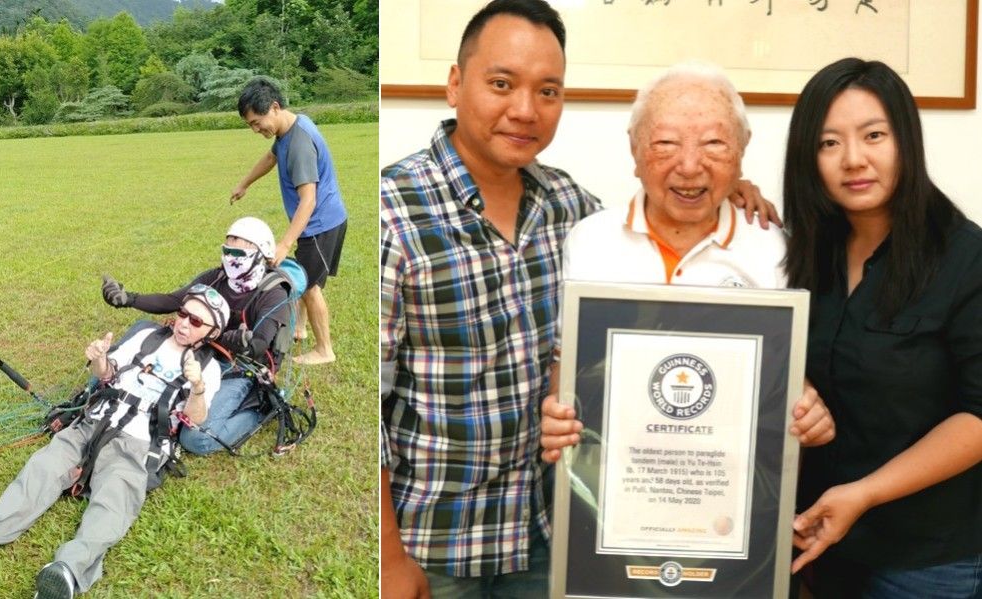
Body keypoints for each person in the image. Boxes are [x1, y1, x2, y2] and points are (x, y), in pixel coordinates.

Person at [380, 3, 782, 597]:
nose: (525, 109)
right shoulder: (393, 213)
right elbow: (370, 402)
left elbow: (663, 214)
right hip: (433, 544)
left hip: (550, 534)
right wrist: (388, 556)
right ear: (455, 84)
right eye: (501, 84)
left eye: (548, 91)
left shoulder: (571, 209)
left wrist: (727, 188)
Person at [539, 62, 835, 464]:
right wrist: (558, 412)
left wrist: (807, 409)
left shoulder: (773, 248)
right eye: (665, 143)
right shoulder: (590, 241)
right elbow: (568, 361)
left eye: (714, 143)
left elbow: (785, 370)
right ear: (635, 149)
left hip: (724, 479)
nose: (690, 166)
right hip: (617, 476)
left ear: (742, 149)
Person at [782, 58, 982, 598]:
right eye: (828, 143)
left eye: (874, 135)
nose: (853, 160)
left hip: (929, 560)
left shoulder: (966, 258)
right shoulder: (805, 253)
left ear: (906, 142)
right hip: (822, 546)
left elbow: (979, 415)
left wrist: (865, 494)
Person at [0, 285, 228, 598]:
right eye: (183, 314)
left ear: (212, 331)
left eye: (196, 322)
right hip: (90, 425)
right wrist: (100, 359)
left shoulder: (208, 369)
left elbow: (196, 419)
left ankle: (67, 572)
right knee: (42, 468)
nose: (184, 323)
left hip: (136, 446)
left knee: (112, 504)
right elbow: (107, 375)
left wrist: (197, 386)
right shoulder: (146, 334)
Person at [101, 216, 298, 455]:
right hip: (201, 352)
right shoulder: (216, 278)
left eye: (239, 252)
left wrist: (231, 339)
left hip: (240, 369)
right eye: (227, 250)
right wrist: (128, 299)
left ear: (261, 253)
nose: (231, 258)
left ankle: (259, 410)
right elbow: (175, 300)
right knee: (144, 328)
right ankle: (103, 382)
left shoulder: (274, 293)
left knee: (195, 439)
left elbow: (258, 344)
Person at [231, 77, 348, 366]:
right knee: (306, 280)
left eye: (258, 122)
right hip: (321, 222)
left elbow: (308, 199)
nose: (257, 130)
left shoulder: (298, 144)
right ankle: (299, 329)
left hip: (320, 224)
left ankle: (325, 350)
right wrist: (245, 183)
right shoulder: (290, 128)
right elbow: (271, 159)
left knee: (309, 287)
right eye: (251, 126)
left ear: (274, 107)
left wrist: (285, 243)